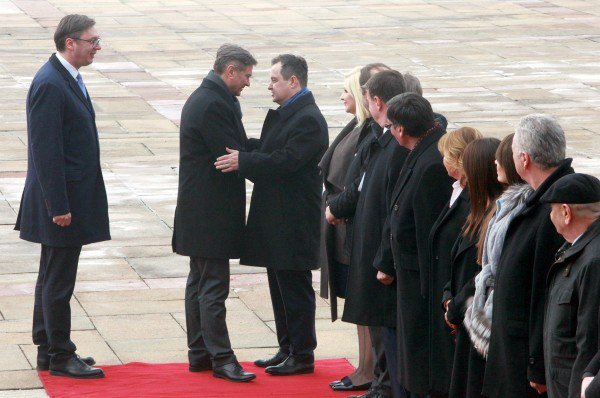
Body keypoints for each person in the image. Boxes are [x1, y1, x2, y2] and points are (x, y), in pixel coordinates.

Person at [216, 54, 328, 376]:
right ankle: (287, 346)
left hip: (293, 220)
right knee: (279, 284)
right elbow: (269, 149)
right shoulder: (290, 113)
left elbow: (285, 161)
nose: (268, 86)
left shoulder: (307, 119)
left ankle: (303, 354)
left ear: (294, 82)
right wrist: (242, 145)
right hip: (278, 217)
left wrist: (244, 160)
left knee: (294, 287)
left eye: (274, 80)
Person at [14, 14, 108, 379]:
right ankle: (59, 355)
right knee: (58, 281)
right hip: (60, 204)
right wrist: (59, 207)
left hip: (65, 201)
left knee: (50, 276)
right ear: (71, 43)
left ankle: (47, 347)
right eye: (92, 41)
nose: (97, 46)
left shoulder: (66, 77)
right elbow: (45, 151)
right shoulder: (51, 83)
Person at [172, 44, 257, 383]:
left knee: (199, 283)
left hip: (200, 212)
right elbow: (231, 154)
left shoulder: (212, 98)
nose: (249, 83)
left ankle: (200, 353)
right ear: (230, 71)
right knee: (212, 288)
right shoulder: (212, 103)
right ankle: (222, 359)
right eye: (247, 76)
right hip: (209, 214)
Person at [328, 70, 409, 398]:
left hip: (381, 245)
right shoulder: (379, 136)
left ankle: (385, 384)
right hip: (369, 238)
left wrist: (337, 207)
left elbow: (379, 196)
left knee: (384, 322)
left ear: (376, 102)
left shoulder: (390, 142)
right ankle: (379, 382)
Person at [482, 114, 574, 398]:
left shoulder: (554, 207)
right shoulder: (538, 198)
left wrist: (537, 364)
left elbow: (545, 292)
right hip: (514, 348)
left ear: (524, 159)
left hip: (526, 357)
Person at [374, 92, 453, 397]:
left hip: (420, 281)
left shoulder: (432, 162)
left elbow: (427, 234)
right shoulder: (420, 150)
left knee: (419, 359)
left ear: (401, 129)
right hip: (406, 273)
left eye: (390, 126)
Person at [319, 66, 377, 393]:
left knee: (362, 305)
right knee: (356, 305)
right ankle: (363, 367)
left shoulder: (366, 132)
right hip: (343, 224)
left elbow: (357, 183)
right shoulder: (355, 127)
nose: (342, 96)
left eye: (346, 90)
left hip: (351, 225)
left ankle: (368, 369)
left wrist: (337, 208)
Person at [443, 138, 503, 398]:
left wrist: (455, 306)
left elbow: (483, 274)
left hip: (476, 323)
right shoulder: (477, 212)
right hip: (463, 318)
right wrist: (448, 296)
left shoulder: (494, 217)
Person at [463, 133, 528, 358]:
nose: (495, 163)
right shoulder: (500, 207)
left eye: (500, 158)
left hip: (496, 316)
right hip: (483, 311)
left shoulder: (511, 209)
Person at [429, 127, 483, 395]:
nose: (442, 163)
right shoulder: (456, 190)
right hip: (450, 290)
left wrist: (455, 299)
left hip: (464, 297)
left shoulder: (475, 199)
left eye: (445, 156)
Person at [540, 173, 600, 398]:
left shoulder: (593, 260)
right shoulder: (577, 250)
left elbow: (589, 343)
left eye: (552, 209)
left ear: (566, 212)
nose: (549, 216)